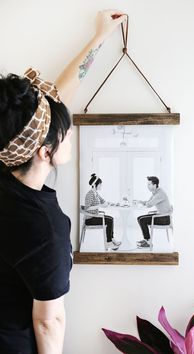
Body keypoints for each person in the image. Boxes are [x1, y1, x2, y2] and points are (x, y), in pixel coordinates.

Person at [0, 9, 126, 354]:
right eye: (63, 132)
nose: (69, 132)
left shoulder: (7, 152)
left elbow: (55, 99)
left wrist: (98, 37)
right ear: (43, 151)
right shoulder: (44, 228)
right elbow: (48, 321)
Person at [84, 173, 121, 251]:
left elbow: (103, 201)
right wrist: (99, 206)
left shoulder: (96, 193)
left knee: (111, 218)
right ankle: (108, 242)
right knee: (109, 220)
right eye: (100, 184)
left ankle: (111, 239)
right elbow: (87, 208)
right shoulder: (89, 194)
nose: (101, 186)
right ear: (95, 184)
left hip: (95, 216)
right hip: (90, 219)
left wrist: (112, 203)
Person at [135, 176, 172, 248]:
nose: (147, 186)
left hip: (164, 218)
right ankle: (146, 240)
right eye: (147, 184)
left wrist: (144, 203)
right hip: (161, 215)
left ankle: (148, 242)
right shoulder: (156, 192)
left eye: (149, 184)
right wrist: (139, 201)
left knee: (142, 220)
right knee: (139, 218)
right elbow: (149, 202)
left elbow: (149, 205)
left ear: (155, 185)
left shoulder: (160, 193)